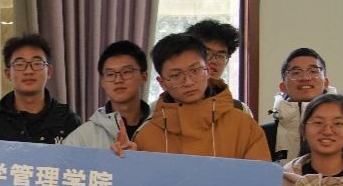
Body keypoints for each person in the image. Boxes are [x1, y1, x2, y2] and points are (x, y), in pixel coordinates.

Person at [132, 33, 270, 160]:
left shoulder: (243, 125)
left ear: (208, 70)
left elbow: (260, 176)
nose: (188, 82)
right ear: (162, 83)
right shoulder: (146, 135)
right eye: (176, 75)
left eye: (195, 70)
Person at [263, 48, 343, 163]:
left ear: (325, 83)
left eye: (313, 71)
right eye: (296, 73)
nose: (305, 78)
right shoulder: (265, 134)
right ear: (283, 86)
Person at [0, 33, 81, 143]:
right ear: (8, 73)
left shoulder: (68, 121)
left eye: (37, 63)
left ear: (49, 71)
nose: (28, 71)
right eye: (19, 64)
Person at [65, 40, 150, 149]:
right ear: (102, 82)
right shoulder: (82, 138)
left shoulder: (161, 128)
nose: (118, 80)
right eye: (110, 74)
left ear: (144, 76)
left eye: (126, 72)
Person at [186, 19, 251, 116]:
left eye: (221, 55)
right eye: (207, 53)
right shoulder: (166, 107)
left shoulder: (240, 110)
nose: (214, 60)